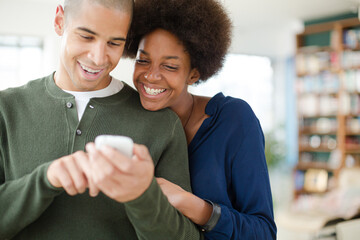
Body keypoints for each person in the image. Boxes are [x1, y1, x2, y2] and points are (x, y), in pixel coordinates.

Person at [0, 0, 200, 239]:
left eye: (114, 43)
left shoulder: (162, 125)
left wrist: (143, 196)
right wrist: (45, 180)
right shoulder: (7, 108)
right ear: (59, 21)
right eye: (86, 36)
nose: (98, 58)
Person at [124, 0, 277, 239]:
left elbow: (264, 232)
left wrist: (193, 205)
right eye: (143, 60)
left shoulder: (233, 120)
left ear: (193, 74)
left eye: (170, 66)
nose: (151, 76)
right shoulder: (129, 118)